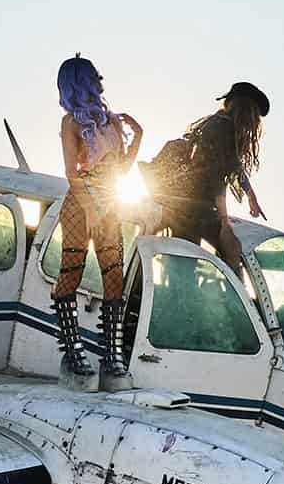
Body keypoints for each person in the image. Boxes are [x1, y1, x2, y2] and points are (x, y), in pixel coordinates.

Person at [52, 55, 142, 387]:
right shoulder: (70, 123)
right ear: (82, 81)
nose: (101, 78)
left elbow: (122, 171)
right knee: (70, 273)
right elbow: (70, 172)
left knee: (113, 277)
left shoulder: (112, 122)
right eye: (94, 75)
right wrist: (90, 208)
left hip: (111, 204)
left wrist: (139, 137)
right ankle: (73, 352)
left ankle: (113, 356)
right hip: (81, 204)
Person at [141, 80, 270, 273]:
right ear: (246, 110)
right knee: (221, 253)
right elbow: (215, 175)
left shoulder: (218, 125)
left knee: (185, 262)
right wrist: (224, 222)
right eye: (255, 115)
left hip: (186, 206)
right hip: (191, 209)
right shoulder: (222, 129)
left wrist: (251, 196)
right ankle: (224, 299)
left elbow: (233, 166)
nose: (255, 123)